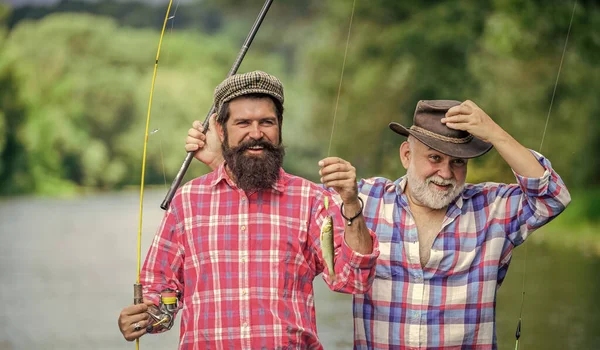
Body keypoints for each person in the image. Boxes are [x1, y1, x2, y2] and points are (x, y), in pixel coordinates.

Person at [185, 99, 571, 349]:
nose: (446, 172)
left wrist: (495, 132)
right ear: (407, 154)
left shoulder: (492, 208)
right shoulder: (364, 200)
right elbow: (283, 204)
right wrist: (224, 164)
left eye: (457, 162)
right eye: (434, 158)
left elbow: (552, 197)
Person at [118, 71, 380, 349]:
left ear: (279, 126)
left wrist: (351, 203)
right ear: (220, 130)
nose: (256, 133)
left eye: (266, 122)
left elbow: (354, 281)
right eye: (243, 122)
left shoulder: (312, 199)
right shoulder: (187, 201)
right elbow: (160, 294)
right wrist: (143, 319)